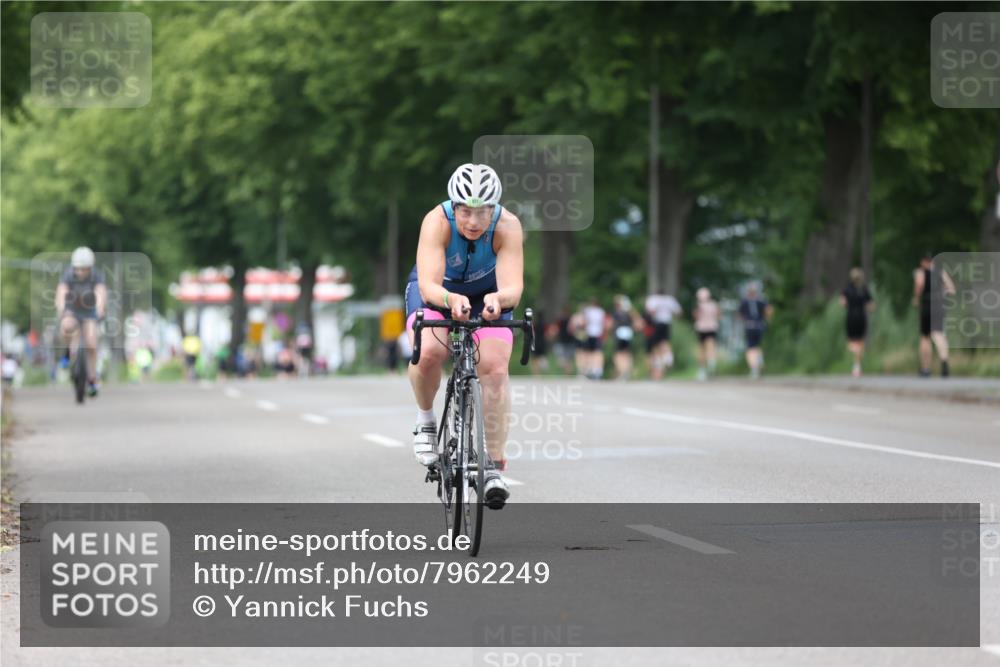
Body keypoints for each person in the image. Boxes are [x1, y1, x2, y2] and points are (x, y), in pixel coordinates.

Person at [404, 163, 523, 510]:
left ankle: (494, 466)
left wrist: (497, 300)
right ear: (454, 207)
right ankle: (426, 421)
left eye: (482, 212)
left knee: (496, 369)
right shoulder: (436, 221)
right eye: (465, 212)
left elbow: (513, 287)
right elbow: (428, 285)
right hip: (437, 293)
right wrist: (449, 299)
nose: (473, 221)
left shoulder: (508, 226)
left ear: (494, 209)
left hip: (488, 296)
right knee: (428, 352)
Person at [55, 247, 106, 397]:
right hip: (72, 309)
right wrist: (61, 308)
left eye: (84, 269)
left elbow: (101, 292)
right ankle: (66, 352)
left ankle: (92, 379)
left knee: (91, 343)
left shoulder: (97, 275)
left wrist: (100, 307)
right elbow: (61, 290)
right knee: (66, 327)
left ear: (90, 267)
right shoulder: (68, 274)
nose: (80, 272)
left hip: (90, 311)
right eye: (78, 269)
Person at [913, 253, 956, 377]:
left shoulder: (920, 272)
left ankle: (925, 368)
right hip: (939, 306)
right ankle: (944, 362)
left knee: (925, 337)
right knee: (939, 334)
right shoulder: (941, 272)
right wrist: (942, 293)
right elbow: (952, 289)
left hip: (927, 305)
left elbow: (919, 285)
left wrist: (916, 298)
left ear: (923, 262)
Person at [840, 268, 874, 377]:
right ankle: (857, 366)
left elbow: (842, 303)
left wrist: (849, 304)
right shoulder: (864, 289)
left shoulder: (847, 289)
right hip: (861, 317)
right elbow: (871, 306)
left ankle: (856, 364)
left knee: (851, 342)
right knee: (860, 342)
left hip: (851, 317)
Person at [644, 292, 682, 380]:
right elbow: (679, 312)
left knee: (656, 346)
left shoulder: (652, 299)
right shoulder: (670, 299)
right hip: (666, 323)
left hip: (656, 324)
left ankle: (660, 365)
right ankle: (668, 358)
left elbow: (650, 311)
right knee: (664, 342)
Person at [738, 283, 772, 379]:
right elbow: (769, 310)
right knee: (757, 346)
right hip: (760, 325)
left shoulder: (744, 301)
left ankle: (754, 368)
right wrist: (767, 319)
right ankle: (759, 362)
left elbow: (740, 314)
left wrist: (744, 320)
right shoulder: (761, 300)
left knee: (750, 348)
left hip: (749, 325)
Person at [610, 295, 640, 380]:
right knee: (627, 353)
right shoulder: (630, 312)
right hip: (628, 333)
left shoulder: (617, 312)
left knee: (618, 354)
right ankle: (626, 371)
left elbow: (611, 324)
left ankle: (622, 371)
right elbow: (637, 322)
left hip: (619, 333)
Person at [692, 287, 720, 381]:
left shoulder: (698, 306)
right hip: (712, 327)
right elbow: (718, 315)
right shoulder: (713, 305)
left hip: (702, 328)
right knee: (711, 346)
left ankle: (702, 369)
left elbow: (696, 317)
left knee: (702, 349)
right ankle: (711, 362)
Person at [580, 298, 607, 379]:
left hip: (590, 333)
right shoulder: (601, 311)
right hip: (598, 333)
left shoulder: (588, 311)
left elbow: (584, 322)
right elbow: (604, 323)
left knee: (589, 352)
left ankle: (590, 369)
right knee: (597, 352)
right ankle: (597, 369)